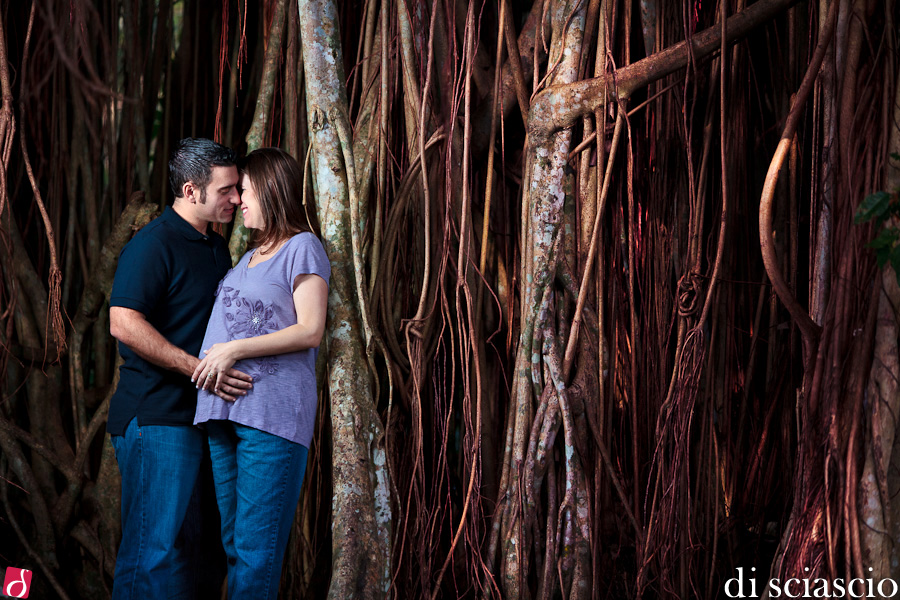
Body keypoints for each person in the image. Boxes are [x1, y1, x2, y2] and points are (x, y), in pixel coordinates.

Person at [107, 138, 254, 599]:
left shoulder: (216, 248)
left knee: (202, 558)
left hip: (203, 421)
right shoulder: (155, 243)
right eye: (227, 189)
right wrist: (198, 368)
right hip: (157, 417)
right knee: (155, 555)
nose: (237, 198)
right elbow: (123, 322)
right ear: (191, 192)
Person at [192, 147, 330, 599]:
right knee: (234, 548)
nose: (237, 201)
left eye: (244, 191)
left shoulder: (302, 247)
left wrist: (233, 349)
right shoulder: (245, 257)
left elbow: (310, 330)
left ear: (270, 191)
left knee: (256, 555)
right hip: (222, 415)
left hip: (271, 418)